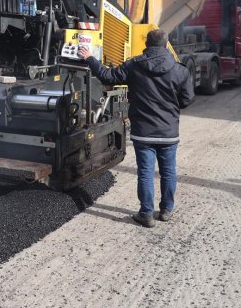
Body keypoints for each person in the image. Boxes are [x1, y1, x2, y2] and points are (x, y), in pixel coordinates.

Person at [78, 29, 194, 228]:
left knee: (146, 173)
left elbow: (107, 76)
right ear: (166, 45)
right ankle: (166, 210)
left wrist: (90, 58)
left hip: (143, 132)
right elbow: (187, 99)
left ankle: (146, 214)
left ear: (147, 45)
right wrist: (171, 108)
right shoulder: (180, 70)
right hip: (168, 133)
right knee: (168, 172)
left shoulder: (134, 65)